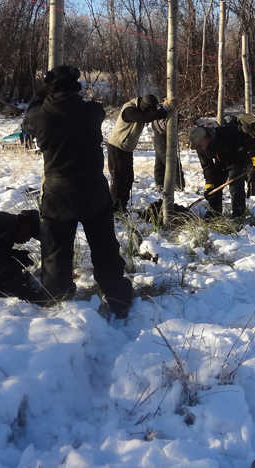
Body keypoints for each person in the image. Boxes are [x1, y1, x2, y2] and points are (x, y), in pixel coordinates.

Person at [23, 65, 134, 318]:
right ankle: (117, 295)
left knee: (56, 249)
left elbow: (28, 120)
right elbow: (97, 108)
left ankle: (56, 292)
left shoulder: (41, 116)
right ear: (76, 87)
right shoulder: (91, 112)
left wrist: (41, 93)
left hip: (58, 190)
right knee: (104, 247)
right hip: (93, 189)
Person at [107, 94, 170, 212]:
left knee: (128, 178)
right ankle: (114, 208)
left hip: (126, 148)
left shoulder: (142, 109)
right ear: (144, 107)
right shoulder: (129, 110)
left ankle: (122, 205)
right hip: (117, 147)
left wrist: (164, 107)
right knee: (118, 178)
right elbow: (145, 117)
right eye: (149, 110)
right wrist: (164, 110)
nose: (151, 112)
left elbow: (151, 115)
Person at [189, 120, 255, 218]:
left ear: (206, 138)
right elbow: (207, 166)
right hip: (221, 163)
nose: (201, 147)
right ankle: (215, 213)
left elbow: (247, 139)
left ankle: (238, 214)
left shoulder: (225, 133)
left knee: (235, 185)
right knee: (214, 187)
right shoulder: (200, 148)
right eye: (198, 146)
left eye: (201, 144)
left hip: (237, 159)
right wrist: (210, 184)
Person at [223, 113, 255, 197]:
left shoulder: (243, 118)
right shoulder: (235, 130)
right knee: (250, 170)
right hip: (253, 148)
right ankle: (252, 193)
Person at [152, 115, 185, 191]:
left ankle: (160, 184)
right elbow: (164, 125)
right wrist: (174, 120)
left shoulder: (163, 109)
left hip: (161, 136)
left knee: (160, 161)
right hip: (161, 136)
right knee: (171, 160)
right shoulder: (163, 110)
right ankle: (178, 184)